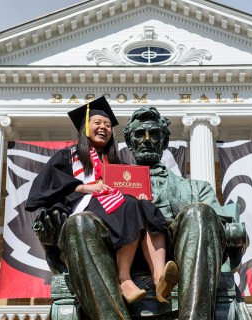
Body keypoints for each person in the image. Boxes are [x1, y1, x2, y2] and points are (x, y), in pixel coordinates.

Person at [25, 97, 178, 319]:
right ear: (85, 127)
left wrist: (141, 195)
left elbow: (130, 191)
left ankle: (159, 278)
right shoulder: (68, 157)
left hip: (118, 211)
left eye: (107, 125)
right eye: (97, 123)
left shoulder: (116, 163)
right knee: (129, 205)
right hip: (86, 213)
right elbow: (49, 186)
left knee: (143, 205)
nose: (104, 128)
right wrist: (84, 187)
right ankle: (124, 279)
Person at [123, 106, 229, 319]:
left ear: (163, 142)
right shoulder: (113, 185)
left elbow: (223, 228)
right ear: (129, 143)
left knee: (199, 212)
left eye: (153, 134)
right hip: (125, 252)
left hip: (185, 254)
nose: (146, 139)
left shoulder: (197, 188)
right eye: (139, 134)